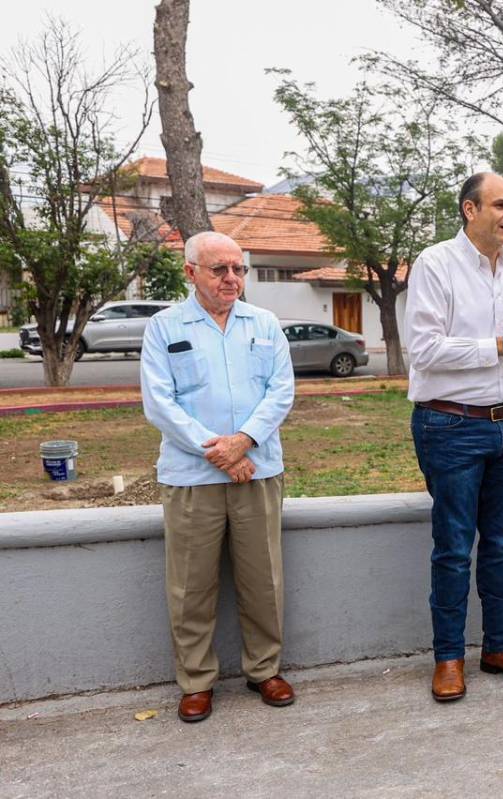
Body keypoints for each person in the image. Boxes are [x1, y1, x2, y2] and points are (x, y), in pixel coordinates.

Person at [404, 172, 503, 701]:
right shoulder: (435, 264)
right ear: (470, 210)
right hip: (450, 424)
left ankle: (500, 647)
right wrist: (500, 346)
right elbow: (423, 349)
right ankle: (448, 658)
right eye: (500, 205)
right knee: (453, 547)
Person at [141, 231, 296, 723]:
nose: (232, 279)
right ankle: (195, 681)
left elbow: (281, 392)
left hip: (257, 469)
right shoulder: (165, 328)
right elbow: (159, 403)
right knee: (191, 586)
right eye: (219, 269)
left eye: (239, 269)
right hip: (192, 476)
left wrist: (243, 442)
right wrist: (222, 453)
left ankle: (264, 669)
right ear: (191, 273)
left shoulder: (265, 324)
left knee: (263, 579)